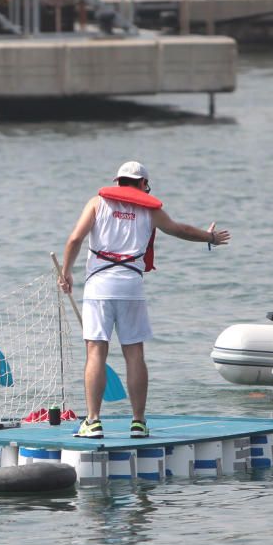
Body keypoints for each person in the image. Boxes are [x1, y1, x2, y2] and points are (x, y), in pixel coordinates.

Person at [58, 161, 230, 439]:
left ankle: (92, 421)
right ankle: (138, 422)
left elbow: (74, 240)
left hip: (99, 287)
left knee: (95, 352)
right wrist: (210, 237)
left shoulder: (97, 202)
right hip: (131, 288)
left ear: (118, 181)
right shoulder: (150, 209)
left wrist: (66, 274)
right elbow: (180, 230)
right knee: (134, 354)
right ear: (142, 184)